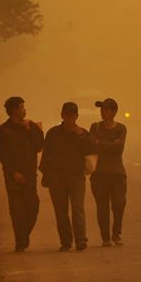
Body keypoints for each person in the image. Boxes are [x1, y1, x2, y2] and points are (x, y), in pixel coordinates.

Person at [39, 102, 93, 252]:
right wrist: (47, 174)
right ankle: (66, 241)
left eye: (73, 115)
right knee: (61, 212)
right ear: (62, 115)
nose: (70, 118)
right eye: (67, 114)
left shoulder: (82, 133)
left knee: (77, 209)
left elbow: (91, 150)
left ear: (76, 116)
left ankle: (81, 240)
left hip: (76, 178)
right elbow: (46, 156)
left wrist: (81, 136)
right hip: (57, 178)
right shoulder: (53, 133)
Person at [0, 96, 44, 252]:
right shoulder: (3, 130)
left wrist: (31, 130)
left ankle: (23, 235)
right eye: (21, 107)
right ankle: (20, 241)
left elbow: (39, 147)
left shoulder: (30, 126)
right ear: (14, 110)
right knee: (17, 210)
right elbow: (2, 154)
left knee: (33, 207)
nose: (24, 109)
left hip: (30, 175)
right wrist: (14, 172)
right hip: (12, 177)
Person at [89, 98, 127, 247]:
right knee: (102, 206)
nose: (102, 112)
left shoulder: (121, 128)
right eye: (101, 109)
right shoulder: (95, 127)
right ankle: (105, 237)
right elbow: (92, 143)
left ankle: (116, 234)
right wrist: (109, 145)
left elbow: (118, 148)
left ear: (114, 112)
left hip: (117, 174)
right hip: (99, 173)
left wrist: (101, 144)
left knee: (119, 205)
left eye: (106, 109)